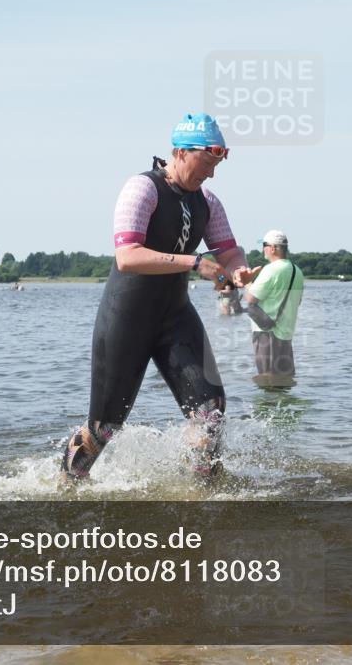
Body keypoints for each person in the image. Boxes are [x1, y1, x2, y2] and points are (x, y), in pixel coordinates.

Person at [64, 113, 247, 480]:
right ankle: (67, 485)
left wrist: (239, 269)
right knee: (105, 426)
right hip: (127, 318)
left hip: (175, 316)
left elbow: (229, 251)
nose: (210, 174)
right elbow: (127, 257)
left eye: (215, 166)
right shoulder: (142, 188)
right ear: (180, 152)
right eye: (205, 163)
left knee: (211, 411)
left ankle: (203, 494)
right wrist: (196, 263)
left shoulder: (207, 200)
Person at [234, 230, 305, 385]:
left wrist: (246, 282)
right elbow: (297, 302)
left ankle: (266, 410)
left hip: (267, 334)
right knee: (284, 384)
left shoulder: (271, 269)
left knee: (267, 381)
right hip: (286, 334)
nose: (263, 249)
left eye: (264, 246)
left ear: (273, 248)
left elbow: (250, 298)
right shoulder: (297, 271)